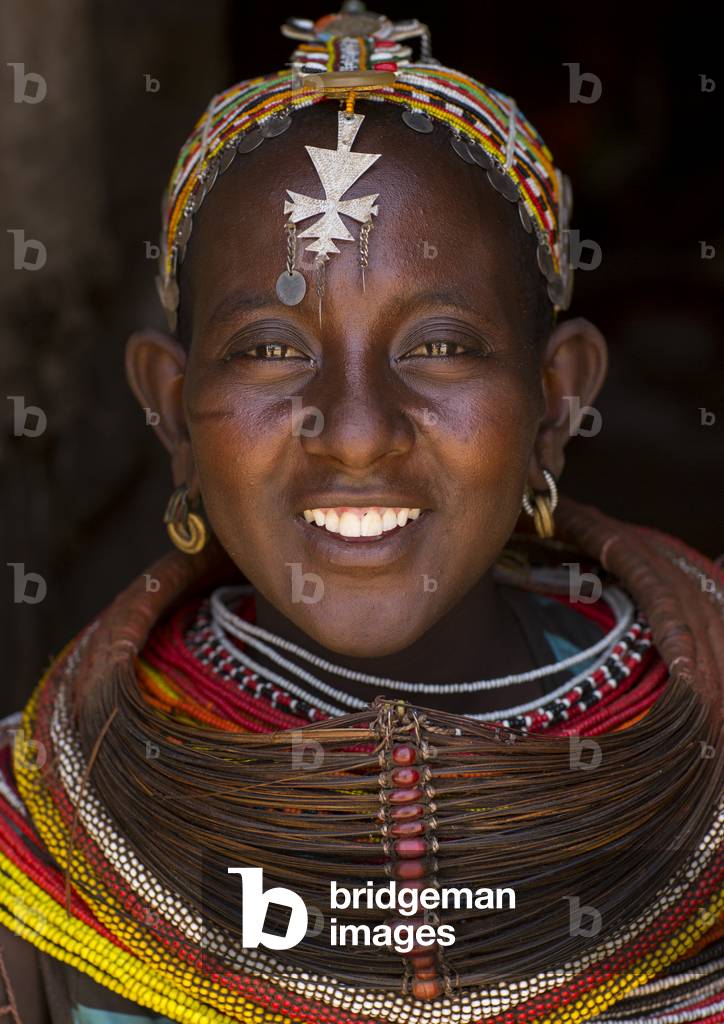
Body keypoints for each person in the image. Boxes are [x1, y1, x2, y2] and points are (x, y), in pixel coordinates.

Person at [0, 4, 721, 1022]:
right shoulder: (39, 843)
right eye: (268, 347)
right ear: (172, 409)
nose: (352, 431)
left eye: (438, 346)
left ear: (557, 399)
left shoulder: (705, 762)